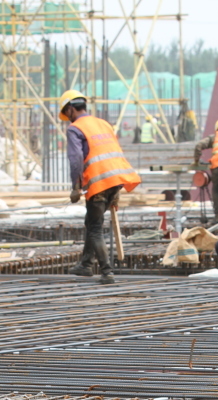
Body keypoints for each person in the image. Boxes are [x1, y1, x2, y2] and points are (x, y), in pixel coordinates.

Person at [59, 89, 141, 285]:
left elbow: (76, 159)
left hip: (99, 182)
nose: (67, 119)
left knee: (95, 228)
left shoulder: (75, 129)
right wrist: (117, 190)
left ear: (70, 109)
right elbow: (112, 152)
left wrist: (75, 187)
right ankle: (85, 264)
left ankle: (106, 271)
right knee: (92, 221)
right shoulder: (103, 124)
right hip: (116, 178)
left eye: (66, 113)